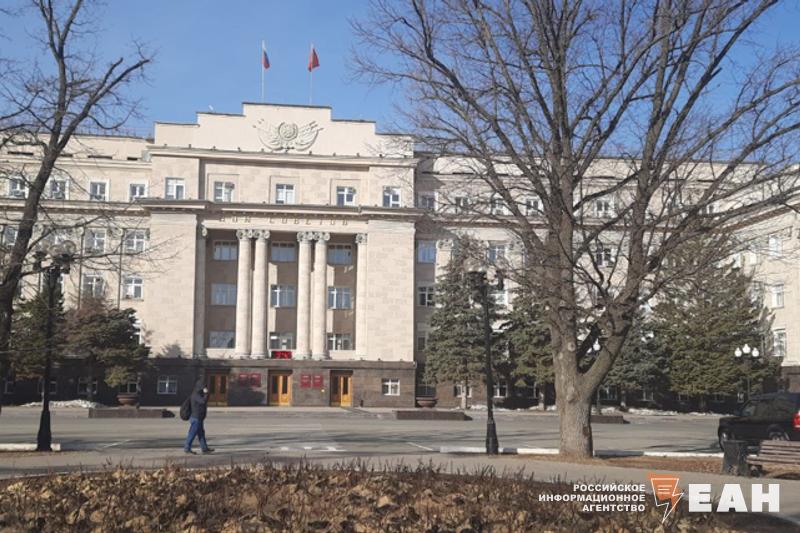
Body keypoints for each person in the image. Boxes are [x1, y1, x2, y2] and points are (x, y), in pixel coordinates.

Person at [184, 380, 214, 454]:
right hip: (196, 418)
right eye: (204, 387)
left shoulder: (198, 394)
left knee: (201, 434)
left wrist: (206, 394)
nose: (205, 388)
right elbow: (203, 401)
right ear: (200, 387)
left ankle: (204, 448)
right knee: (192, 433)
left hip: (199, 417)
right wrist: (206, 393)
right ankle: (187, 448)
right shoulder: (196, 395)